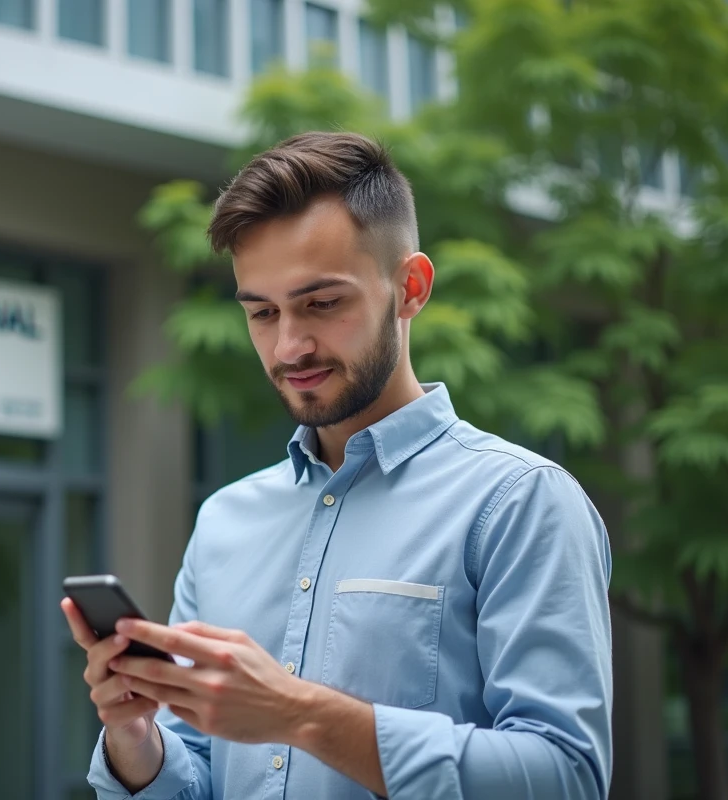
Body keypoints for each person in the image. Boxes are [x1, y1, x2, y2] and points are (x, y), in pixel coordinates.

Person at [61, 131, 613, 799]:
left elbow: (567, 776)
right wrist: (137, 739)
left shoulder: (521, 502)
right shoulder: (224, 521)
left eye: (322, 303)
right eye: (262, 312)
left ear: (410, 288)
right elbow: (199, 770)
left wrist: (300, 715)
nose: (289, 345)